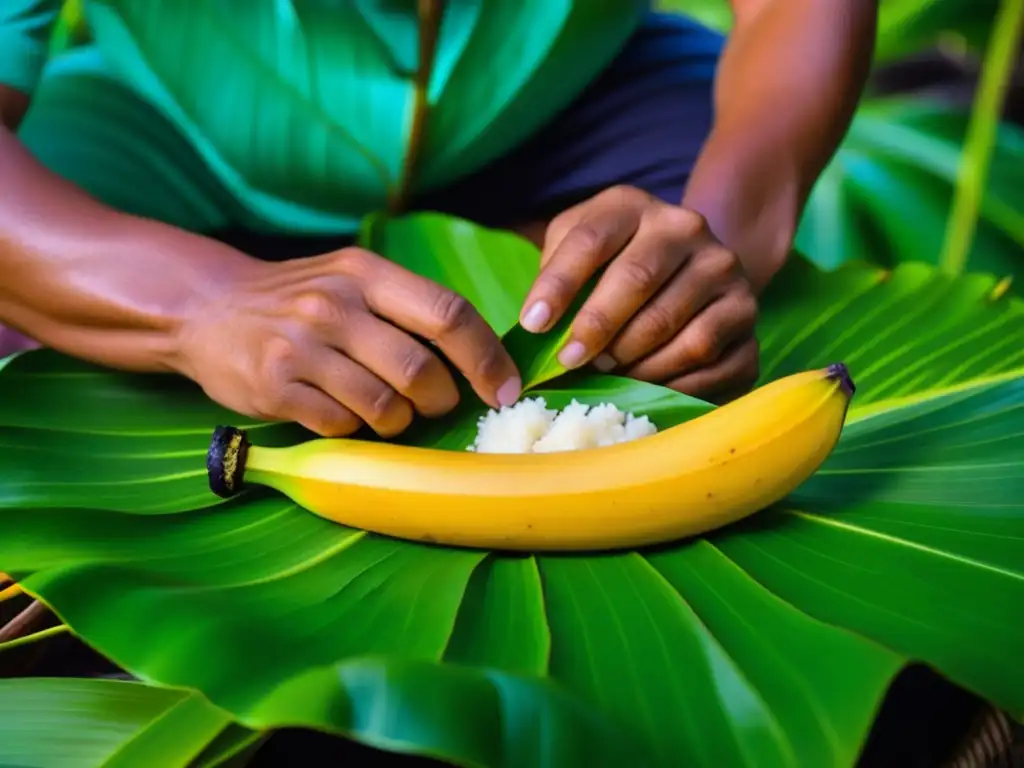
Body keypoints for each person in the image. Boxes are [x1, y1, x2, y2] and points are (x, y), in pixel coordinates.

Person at [0, 1, 879, 439]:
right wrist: (196, 304)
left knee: (713, 341)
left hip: (570, 108)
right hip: (178, 144)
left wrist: (715, 228)